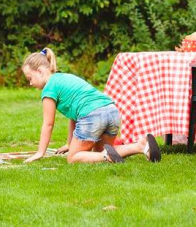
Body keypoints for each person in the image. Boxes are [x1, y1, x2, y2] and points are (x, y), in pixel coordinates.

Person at [22, 48, 161, 164]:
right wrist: (70, 144)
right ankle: (140, 146)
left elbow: (48, 124)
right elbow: (74, 116)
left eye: (30, 78)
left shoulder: (49, 89)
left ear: (39, 71)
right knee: (99, 153)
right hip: (112, 111)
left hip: (93, 116)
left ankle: (107, 156)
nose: (30, 83)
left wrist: (40, 152)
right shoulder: (65, 77)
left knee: (73, 158)